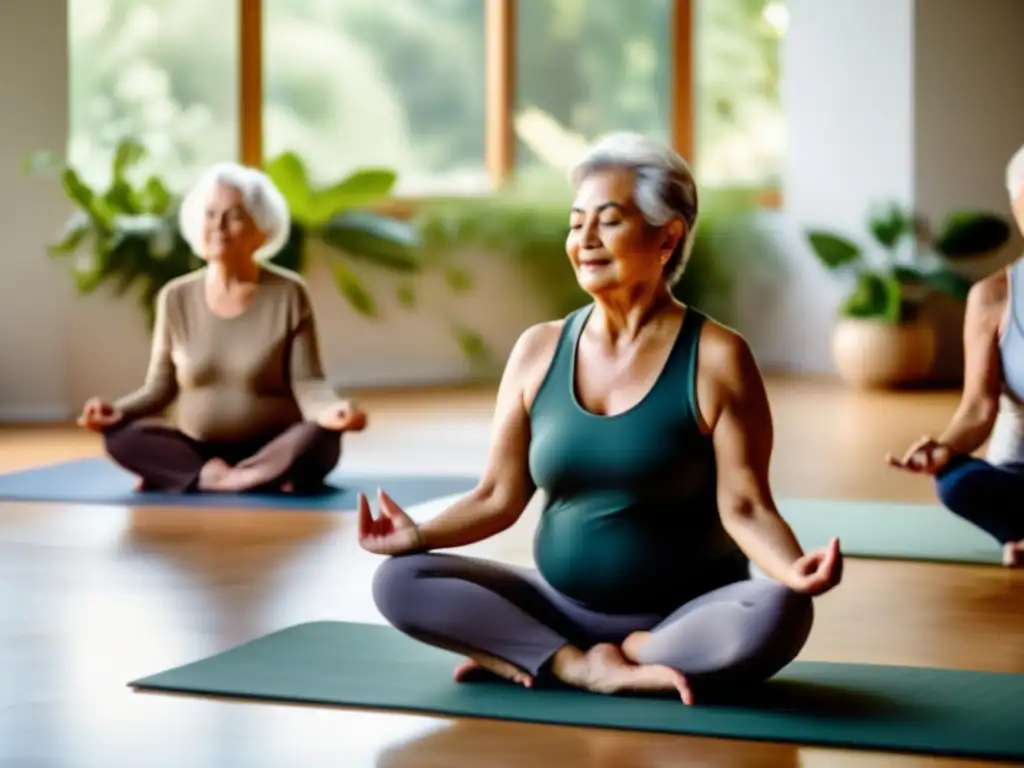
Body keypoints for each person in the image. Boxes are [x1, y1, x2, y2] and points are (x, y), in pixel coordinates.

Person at [357, 132, 843, 704]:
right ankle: (574, 663)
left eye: (608, 221)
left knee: (779, 610)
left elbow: (744, 505)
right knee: (401, 580)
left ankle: (621, 655)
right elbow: (497, 496)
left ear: (667, 237)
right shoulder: (538, 350)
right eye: (576, 222)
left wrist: (793, 567)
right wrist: (415, 534)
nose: (583, 240)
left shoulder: (716, 358)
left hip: (685, 615)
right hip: (561, 607)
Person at [76, 162, 367, 494]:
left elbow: (308, 383)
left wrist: (333, 412)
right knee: (121, 437)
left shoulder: (289, 293)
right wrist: (116, 411)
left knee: (320, 437)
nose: (219, 226)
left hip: (275, 447)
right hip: (199, 449)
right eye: (210, 214)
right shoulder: (176, 297)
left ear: (262, 230)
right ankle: (229, 477)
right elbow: (159, 389)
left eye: (235, 216)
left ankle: (224, 476)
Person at [887, 144, 1024, 567]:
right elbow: (978, 407)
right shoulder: (993, 296)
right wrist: (942, 448)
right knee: (956, 482)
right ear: (1016, 207)